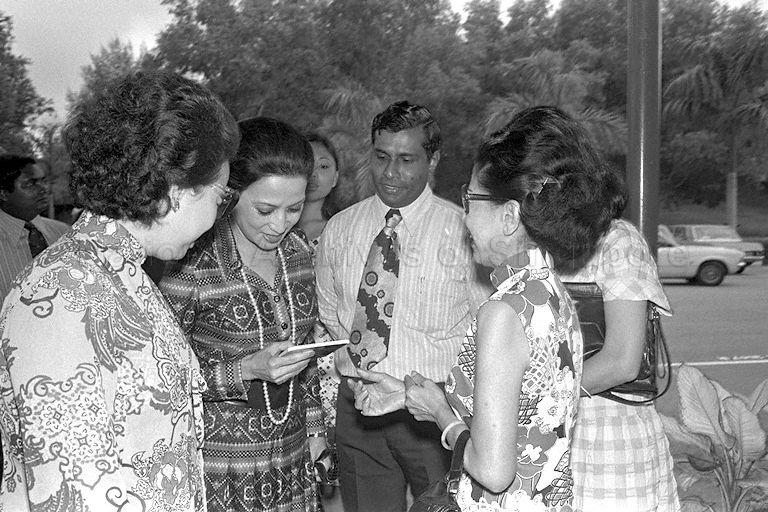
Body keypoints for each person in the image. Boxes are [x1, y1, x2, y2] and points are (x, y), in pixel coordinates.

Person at [350, 105, 622, 510]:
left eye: (471, 199)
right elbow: (523, 410)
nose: (465, 215)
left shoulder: (504, 312)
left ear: (510, 216)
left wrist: (442, 414)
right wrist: (414, 396)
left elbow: (493, 471)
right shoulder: (549, 292)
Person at [0, 70, 239, 510]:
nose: (217, 215)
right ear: (175, 190)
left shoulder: (122, 273)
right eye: (220, 197)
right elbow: (69, 494)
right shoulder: (60, 297)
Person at [314, 100, 491, 512]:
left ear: (433, 160)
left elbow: (489, 330)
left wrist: (452, 407)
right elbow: (330, 313)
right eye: (381, 157)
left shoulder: (465, 234)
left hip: (435, 413)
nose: (391, 173)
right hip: (359, 410)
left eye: (406, 159)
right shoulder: (340, 229)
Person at [160, 117, 326, 512]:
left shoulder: (299, 253)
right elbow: (163, 382)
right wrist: (246, 370)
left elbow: (307, 358)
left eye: (294, 209)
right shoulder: (193, 264)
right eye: (266, 209)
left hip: (293, 459)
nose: (279, 225)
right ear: (231, 194)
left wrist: (317, 435)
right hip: (220, 468)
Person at [560, 159, 680, 508]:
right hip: (546, 439)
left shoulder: (615, 240)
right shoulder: (526, 241)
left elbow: (622, 362)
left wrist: (535, 394)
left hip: (608, 440)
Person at [298, 132, 342, 492]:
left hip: (334, 347)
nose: (314, 174)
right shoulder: (273, 230)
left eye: (324, 165)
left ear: (337, 174)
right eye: (307, 165)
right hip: (294, 346)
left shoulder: (345, 228)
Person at [0, 155, 71, 300]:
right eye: (30, 184)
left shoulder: (64, 232)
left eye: (44, 181)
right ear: (4, 193)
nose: (43, 189)